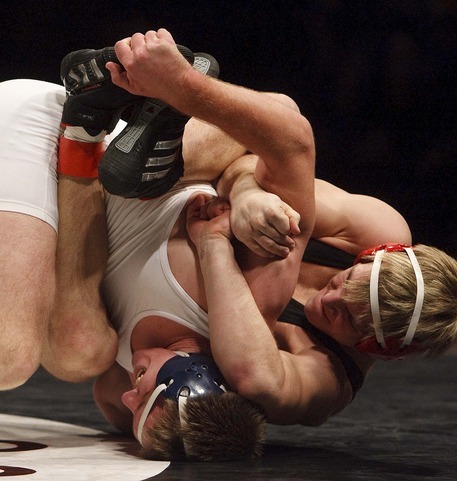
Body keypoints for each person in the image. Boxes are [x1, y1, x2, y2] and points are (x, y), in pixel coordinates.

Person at [52, 29, 316, 461]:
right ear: (192, 376)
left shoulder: (119, 381)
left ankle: (106, 121)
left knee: (76, 349)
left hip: (86, 167)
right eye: (145, 403)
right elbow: (292, 141)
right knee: (280, 113)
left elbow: (110, 396)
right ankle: (167, 102)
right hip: (130, 166)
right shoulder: (253, 297)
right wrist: (247, 194)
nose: (127, 400)